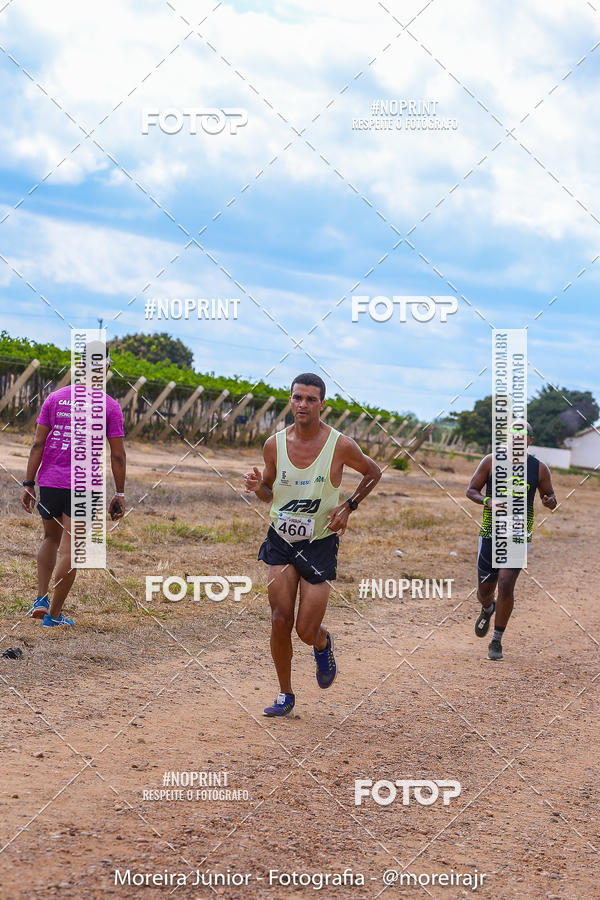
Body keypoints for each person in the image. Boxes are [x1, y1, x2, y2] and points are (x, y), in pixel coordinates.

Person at [244, 373, 381, 717]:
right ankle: (285, 694)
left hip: (319, 543)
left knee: (305, 630)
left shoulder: (341, 445)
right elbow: (268, 494)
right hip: (281, 540)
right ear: (290, 400)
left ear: (322, 404)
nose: (302, 404)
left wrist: (348, 506)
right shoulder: (274, 444)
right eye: (297, 397)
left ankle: (323, 643)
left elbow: (374, 472)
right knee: (279, 619)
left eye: (310, 399)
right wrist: (257, 485)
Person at [20, 357, 126, 627]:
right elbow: (118, 456)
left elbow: (38, 444)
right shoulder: (110, 406)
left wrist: (29, 483)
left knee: (50, 539)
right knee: (72, 548)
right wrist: (120, 493)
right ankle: (53, 616)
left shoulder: (55, 398)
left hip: (51, 482)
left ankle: (40, 599)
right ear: (104, 371)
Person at [466, 422, 556, 660]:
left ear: (530, 440)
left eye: (523, 434)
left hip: (518, 534)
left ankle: (496, 641)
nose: (518, 438)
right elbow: (471, 490)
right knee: (485, 590)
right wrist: (488, 501)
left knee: (506, 583)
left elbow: (550, 496)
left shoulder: (538, 469)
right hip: (490, 533)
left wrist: (549, 501)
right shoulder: (491, 461)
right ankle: (487, 608)